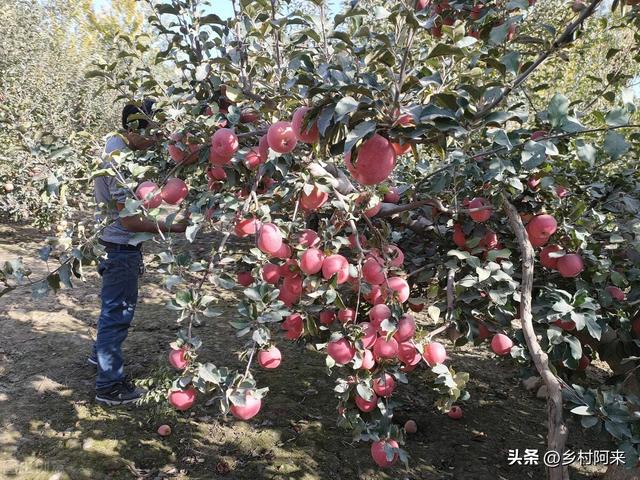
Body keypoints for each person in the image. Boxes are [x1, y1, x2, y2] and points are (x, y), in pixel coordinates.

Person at [91, 100, 187, 406]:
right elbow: (131, 220)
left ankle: (99, 359)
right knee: (117, 314)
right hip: (120, 247)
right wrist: (175, 226)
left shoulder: (114, 145)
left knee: (111, 310)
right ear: (134, 128)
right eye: (154, 134)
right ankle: (109, 386)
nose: (157, 141)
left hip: (111, 244)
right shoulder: (119, 159)